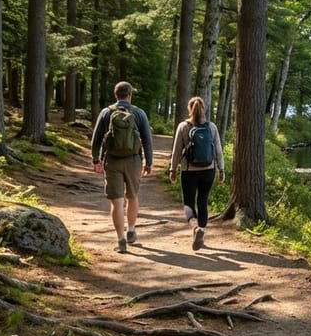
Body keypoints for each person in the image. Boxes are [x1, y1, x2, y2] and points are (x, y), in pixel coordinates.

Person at [90, 81, 154, 253]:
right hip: (133, 161)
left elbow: (96, 139)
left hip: (112, 161)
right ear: (130, 95)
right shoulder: (139, 113)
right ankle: (131, 229)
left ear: (115, 94)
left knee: (117, 202)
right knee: (132, 196)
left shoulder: (106, 112)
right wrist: (149, 162)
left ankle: (120, 240)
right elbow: (147, 140)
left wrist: (96, 160)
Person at [169, 96, 224, 251]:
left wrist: (172, 169)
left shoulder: (183, 126)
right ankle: (202, 233)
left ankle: (195, 228)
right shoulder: (211, 127)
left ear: (189, 109)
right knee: (203, 201)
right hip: (209, 170)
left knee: (188, 203)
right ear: (203, 109)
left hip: (189, 171)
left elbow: (176, 151)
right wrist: (222, 170)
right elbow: (218, 150)